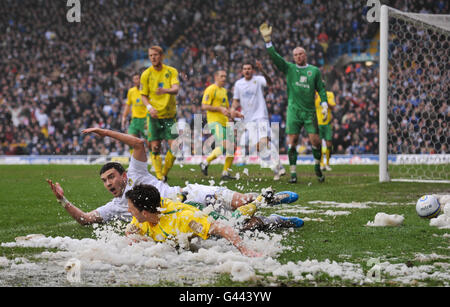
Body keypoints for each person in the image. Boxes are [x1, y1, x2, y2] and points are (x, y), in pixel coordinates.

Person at [47, 127, 296, 226]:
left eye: (111, 177)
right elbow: (85, 219)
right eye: (104, 181)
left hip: (188, 195)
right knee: (246, 226)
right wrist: (62, 200)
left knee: (241, 202)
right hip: (182, 218)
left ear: (123, 174)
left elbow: (138, 142)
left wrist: (104, 132)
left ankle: (268, 198)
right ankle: (276, 220)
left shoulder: (136, 171)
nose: (108, 183)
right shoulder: (117, 206)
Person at [125, 184, 304, 257]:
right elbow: (131, 230)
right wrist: (130, 235)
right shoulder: (142, 215)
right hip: (186, 205)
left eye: (132, 209)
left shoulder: (185, 220)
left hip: (204, 214)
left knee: (238, 222)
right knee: (250, 225)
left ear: (146, 212)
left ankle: (263, 202)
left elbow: (222, 228)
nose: (129, 211)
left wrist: (246, 250)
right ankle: (267, 214)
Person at [259, 22, 328, 184]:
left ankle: (318, 166)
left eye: (301, 54)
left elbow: (322, 90)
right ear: (293, 57)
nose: (298, 56)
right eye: (295, 54)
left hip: (310, 111)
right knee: (293, 141)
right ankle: (293, 174)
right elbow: (275, 57)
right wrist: (268, 42)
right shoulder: (289, 68)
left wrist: (324, 104)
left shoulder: (314, 71)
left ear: (305, 55)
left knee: (315, 141)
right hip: (293, 111)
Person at [231, 61, 285, 180]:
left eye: (249, 68)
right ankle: (277, 168)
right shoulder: (238, 84)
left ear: (253, 70)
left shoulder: (259, 79)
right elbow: (236, 100)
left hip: (261, 116)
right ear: (242, 71)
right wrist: (232, 109)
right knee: (260, 148)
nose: (247, 70)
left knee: (264, 142)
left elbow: (270, 83)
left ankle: (279, 167)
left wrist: (263, 70)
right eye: (245, 68)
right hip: (248, 119)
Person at [140, 45, 180, 182]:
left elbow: (176, 89)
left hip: (169, 116)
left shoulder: (171, 71)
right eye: (150, 55)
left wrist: (165, 91)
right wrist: (150, 107)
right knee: (155, 146)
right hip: (154, 116)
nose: (153, 58)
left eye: (155, 55)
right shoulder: (146, 74)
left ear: (162, 56)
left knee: (176, 147)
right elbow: (143, 95)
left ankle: (164, 173)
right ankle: (159, 176)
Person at [200, 70, 243, 180]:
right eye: (222, 76)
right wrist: (219, 109)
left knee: (232, 148)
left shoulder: (224, 90)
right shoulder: (211, 89)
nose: (224, 78)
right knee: (225, 144)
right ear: (216, 77)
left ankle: (225, 173)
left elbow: (227, 109)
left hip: (225, 122)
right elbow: (204, 106)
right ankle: (205, 162)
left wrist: (234, 114)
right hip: (215, 122)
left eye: (225, 76)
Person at [121, 73, 147, 154]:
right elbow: (128, 105)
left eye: (137, 79)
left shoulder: (146, 90)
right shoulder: (131, 91)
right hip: (135, 120)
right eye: (134, 79)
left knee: (150, 143)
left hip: (145, 120)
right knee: (130, 141)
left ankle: (153, 163)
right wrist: (124, 117)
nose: (136, 81)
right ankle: (134, 163)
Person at [315, 90, 336, 171]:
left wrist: (325, 101)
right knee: (318, 145)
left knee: (329, 144)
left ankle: (327, 163)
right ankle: (321, 163)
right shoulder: (315, 95)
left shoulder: (329, 94)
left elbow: (333, 107)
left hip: (327, 124)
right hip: (318, 123)